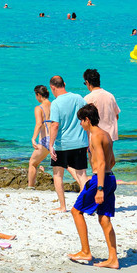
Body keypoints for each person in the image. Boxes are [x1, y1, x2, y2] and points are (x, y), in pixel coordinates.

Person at [69, 101, 118, 269]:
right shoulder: (106, 134)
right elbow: (113, 161)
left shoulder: (95, 136)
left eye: (81, 121)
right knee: (104, 218)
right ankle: (113, 259)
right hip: (111, 178)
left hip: (101, 181)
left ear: (87, 119)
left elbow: (103, 162)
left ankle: (85, 251)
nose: (81, 124)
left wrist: (99, 188)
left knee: (76, 211)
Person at [46, 72, 88, 207]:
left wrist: (50, 144)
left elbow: (55, 125)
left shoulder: (56, 103)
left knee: (58, 175)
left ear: (52, 88)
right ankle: (85, 204)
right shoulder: (78, 98)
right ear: (64, 84)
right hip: (80, 142)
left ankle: (63, 206)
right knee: (82, 176)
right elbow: (88, 115)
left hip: (62, 145)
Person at [28, 83, 54, 186]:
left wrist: (33, 138)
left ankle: (30, 187)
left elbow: (39, 124)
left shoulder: (39, 108)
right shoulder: (54, 105)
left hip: (44, 140)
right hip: (54, 138)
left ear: (38, 94)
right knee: (64, 165)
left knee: (33, 163)